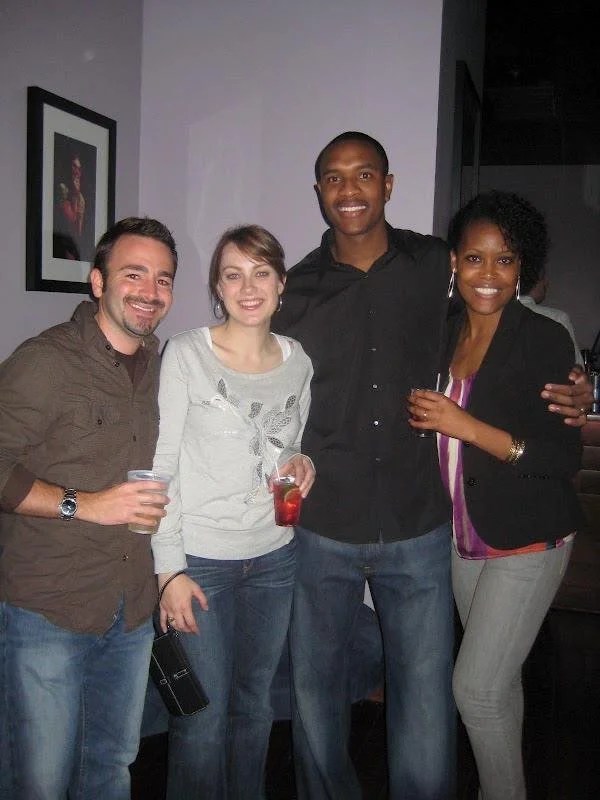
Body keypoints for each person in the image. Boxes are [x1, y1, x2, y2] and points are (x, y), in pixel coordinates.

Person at [271, 131, 592, 800]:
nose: (350, 189)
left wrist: (576, 375)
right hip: (326, 523)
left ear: (388, 185)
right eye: (334, 177)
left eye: (365, 174)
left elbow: (501, 308)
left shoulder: (429, 265)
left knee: (428, 697)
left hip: (419, 525)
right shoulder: (294, 289)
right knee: (316, 690)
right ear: (319, 191)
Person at [408, 191, 582, 800]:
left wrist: (467, 427)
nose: (489, 274)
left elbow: (560, 459)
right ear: (454, 262)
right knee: (497, 686)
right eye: (475, 258)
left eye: (504, 260)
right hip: (464, 538)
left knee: (476, 689)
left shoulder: (544, 338)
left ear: (521, 266)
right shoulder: (441, 331)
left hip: (529, 537)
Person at [0, 217, 177, 800]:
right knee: (42, 781)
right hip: (49, 609)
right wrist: (85, 504)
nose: (150, 291)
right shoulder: (45, 361)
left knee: (110, 768)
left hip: (130, 608)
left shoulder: (164, 370)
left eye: (163, 279)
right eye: (134, 274)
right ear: (98, 282)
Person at [151, 224, 315, 799]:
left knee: (256, 706)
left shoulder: (298, 361)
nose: (249, 288)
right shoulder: (186, 354)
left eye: (261, 273)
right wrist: (168, 571)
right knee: (201, 717)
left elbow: (285, 445)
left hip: (274, 558)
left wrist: (300, 463)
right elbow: (161, 466)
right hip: (200, 563)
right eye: (233, 275)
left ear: (281, 283)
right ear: (217, 288)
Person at [519, 266, 583, 365]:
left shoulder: (497, 317)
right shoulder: (557, 318)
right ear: (535, 281)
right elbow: (576, 367)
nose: (546, 283)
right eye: (543, 278)